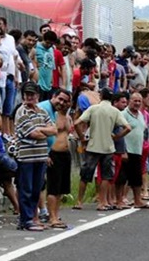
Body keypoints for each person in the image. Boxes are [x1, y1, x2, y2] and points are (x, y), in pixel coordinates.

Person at [73, 87, 131, 210]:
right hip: (108, 147)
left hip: (93, 145)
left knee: (85, 175)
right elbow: (128, 128)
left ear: (100, 96)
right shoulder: (115, 111)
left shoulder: (93, 108)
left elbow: (76, 123)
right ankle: (102, 201)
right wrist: (116, 137)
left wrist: (82, 137)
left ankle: (79, 201)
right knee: (106, 176)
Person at [14, 82, 57, 231]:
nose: (29, 97)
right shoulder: (21, 112)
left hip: (40, 156)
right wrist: (44, 130)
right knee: (26, 189)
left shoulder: (42, 111)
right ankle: (26, 219)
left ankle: (32, 217)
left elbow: (54, 129)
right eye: (27, 94)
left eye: (32, 94)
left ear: (38, 96)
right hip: (26, 157)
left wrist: (41, 129)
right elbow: (34, 134)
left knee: (36, 189)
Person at [39, 89, 73, 228]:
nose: (63, 103)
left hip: (65, 154)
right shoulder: (52, 115)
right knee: (53, 187)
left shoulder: (68, 117)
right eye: (61, 100)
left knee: (61, 189)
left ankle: (55, 215)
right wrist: (45, 153)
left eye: (66, 101)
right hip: (54, 154)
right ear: (54, 98)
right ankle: (51, 217)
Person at [123, 92, 149, 209]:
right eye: (134, 101)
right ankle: (120, 200)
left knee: (137, 178)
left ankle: (137, 200)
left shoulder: (141, 115)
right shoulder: (123, 114)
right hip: (126, 150)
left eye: (139, 101)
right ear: (129, 101)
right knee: (123, 178)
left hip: (137, 150)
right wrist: (123, 150)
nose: (137, 103)